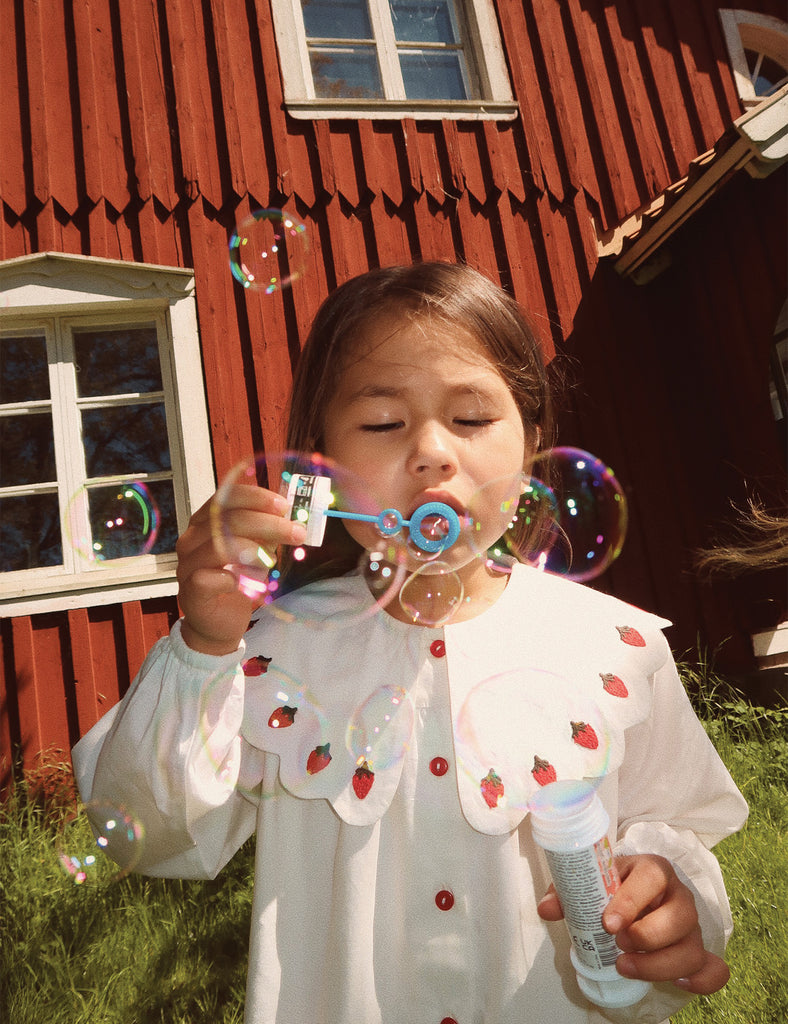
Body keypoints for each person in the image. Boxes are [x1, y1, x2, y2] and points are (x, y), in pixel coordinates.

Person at [72, 263, 748, 1024]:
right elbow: (144, 834)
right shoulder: (271, 651)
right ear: (320, 464)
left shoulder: (615, 649)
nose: (431, 451)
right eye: (384, 424)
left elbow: (680, 826)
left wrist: (676, 895)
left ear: (531, 443)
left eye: (470, 419)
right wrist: (205, 644)